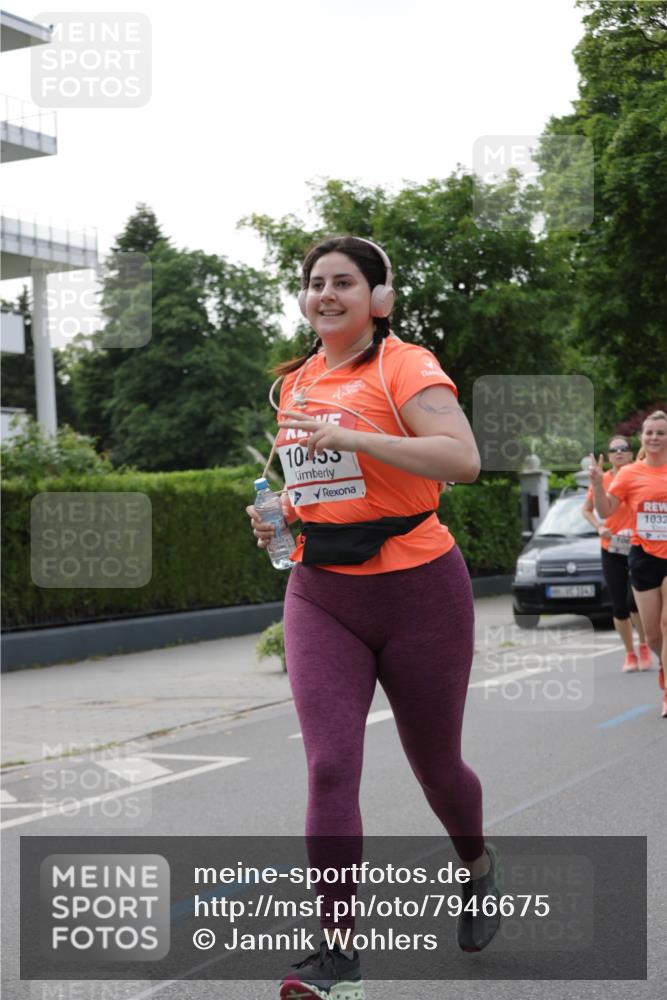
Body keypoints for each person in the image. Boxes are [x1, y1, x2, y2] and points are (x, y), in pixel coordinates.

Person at [246, 236, 500, 999]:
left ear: (377, 298)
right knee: (328, 765)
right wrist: (278, 523)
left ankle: (478, 866)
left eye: (344, 282)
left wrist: (352, 433)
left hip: (420, 588)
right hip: (321, 591)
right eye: (314, 283)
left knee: (437, 769)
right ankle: (336, 954)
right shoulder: (292, 385)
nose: (326, 293)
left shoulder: (405, 366)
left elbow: (461, 460)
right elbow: (312, 484)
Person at [590, 411, 667, 718]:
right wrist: (597, 484)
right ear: (642, 437)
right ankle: (663, 665)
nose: (654, 438)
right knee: (652, 635)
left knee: (666, 624)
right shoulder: (630, 474)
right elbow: (606, 510)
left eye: (661, 433)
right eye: (649, 433)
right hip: (643, 556)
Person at [582, 437, 651, 671]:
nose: (619, 453)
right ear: (609, 455)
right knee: (619, 605)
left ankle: (644, 645)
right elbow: (588, 510)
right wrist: (600, 527)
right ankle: (630, 653)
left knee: (635, 602)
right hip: (611, 548)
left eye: (624, 449)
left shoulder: (638, 475)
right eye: (614, 449)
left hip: (638, 546)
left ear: (632, 454)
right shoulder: (602, 479)